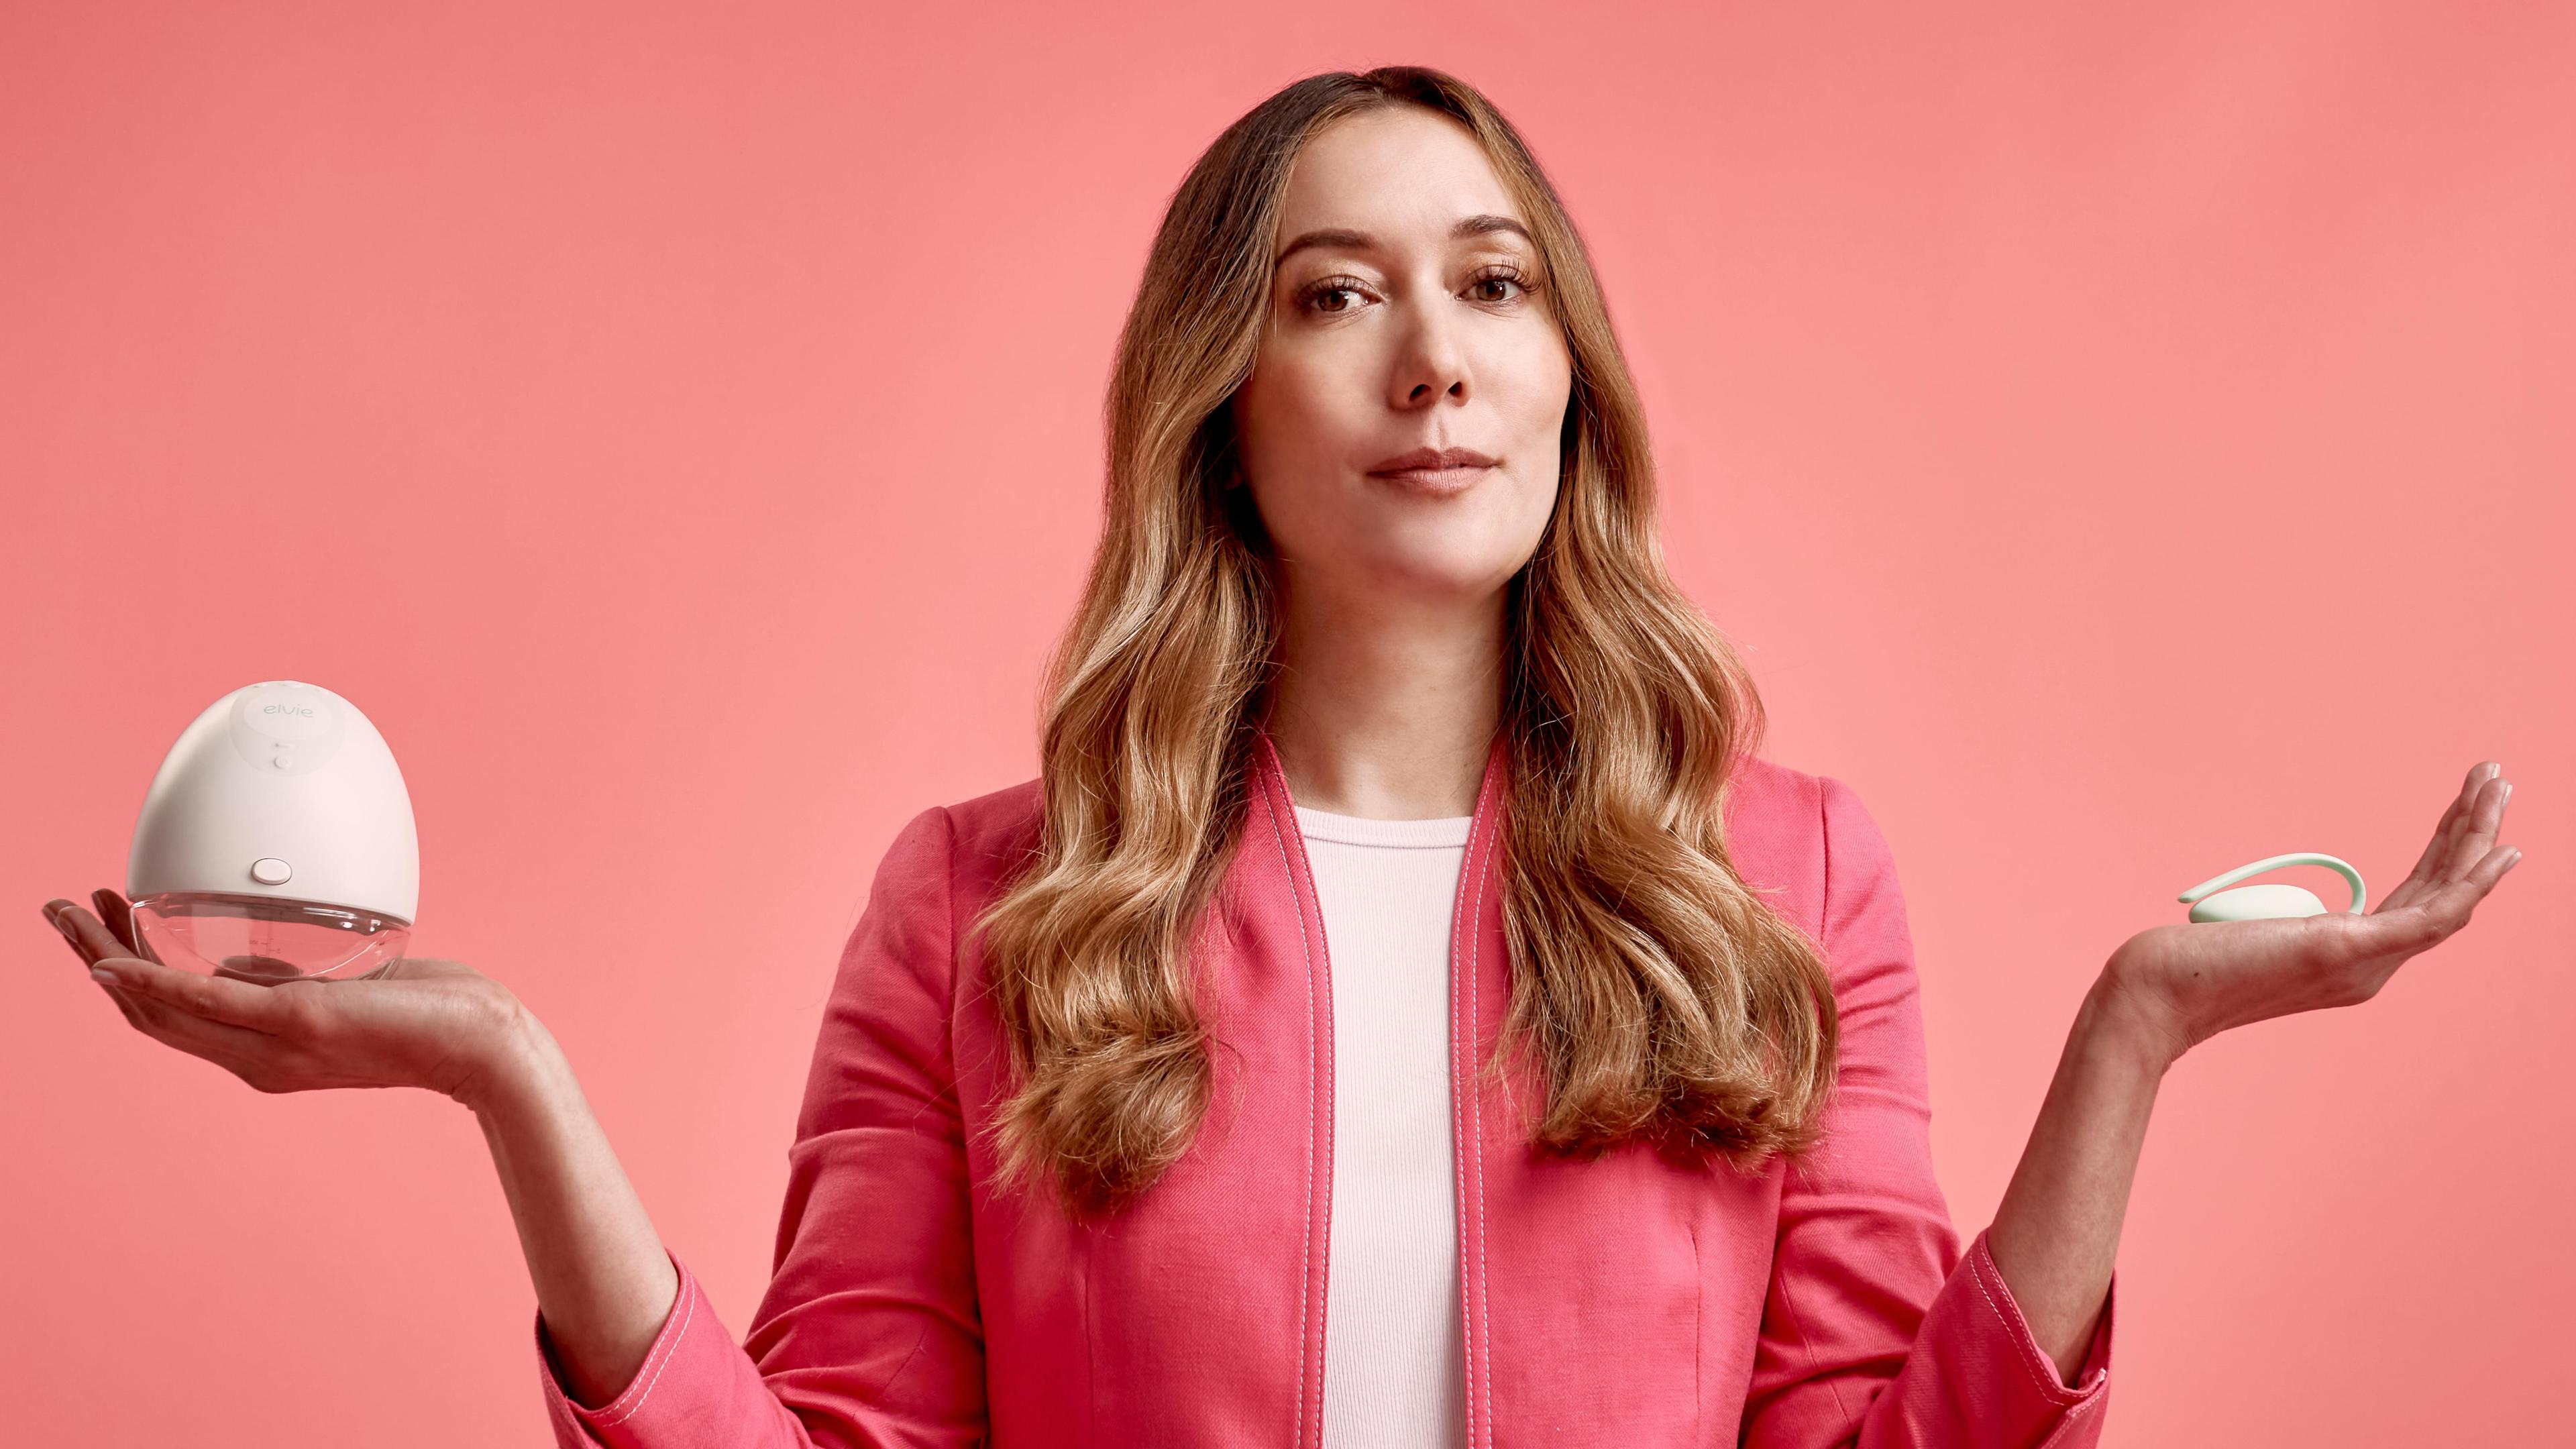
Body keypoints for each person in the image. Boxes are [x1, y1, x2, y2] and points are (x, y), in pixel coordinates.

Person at [46, 66, 2521, 1449]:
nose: (1433, 358)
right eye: (1337, 296)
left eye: (1492, 282)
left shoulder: (1786, 880)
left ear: (1569, 382)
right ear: (1224, 409)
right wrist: (511, 1084)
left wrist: (2135, 1041)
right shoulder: (981, 908)